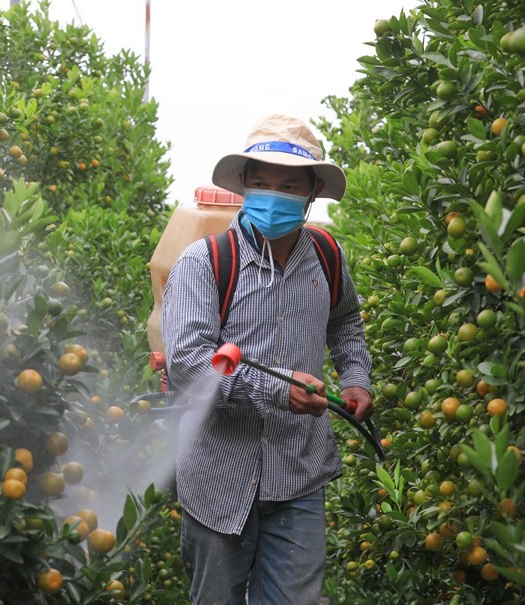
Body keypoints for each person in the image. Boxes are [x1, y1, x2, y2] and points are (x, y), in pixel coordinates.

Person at [161, 114, 373, 605]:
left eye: (287, 184)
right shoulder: (204, 262)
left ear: (312, 190)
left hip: (298, 475)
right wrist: (278, 390)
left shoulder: (327, 255)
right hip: (218, 477)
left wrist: (356, 378)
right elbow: (190, 364)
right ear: (244, 186)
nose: (273, 194)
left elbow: (346, 320)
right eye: (261, 182)